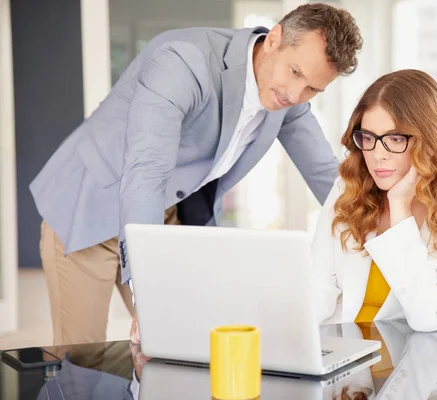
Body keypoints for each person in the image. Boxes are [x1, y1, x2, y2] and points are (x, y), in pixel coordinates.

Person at [30, 3, 363, 346]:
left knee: (181, 345)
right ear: (275, 38)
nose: (295, 95)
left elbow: (327, 174)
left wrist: (378, 232)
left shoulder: (288, 101)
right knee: (81, 363)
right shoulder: (183, 62)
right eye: (295, 72)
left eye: (312, 89)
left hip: (168, 214)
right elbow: (147, 172)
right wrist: (147, 296)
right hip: (89, 205)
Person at [311, 69, 437, 332]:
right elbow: (318, 290)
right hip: (343, 352)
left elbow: (430, 320)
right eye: (368, 138)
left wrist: (399, 208)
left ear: (432, 141)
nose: (377, 155)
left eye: (395, 139)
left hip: (409, 360)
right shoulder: (348, 187)